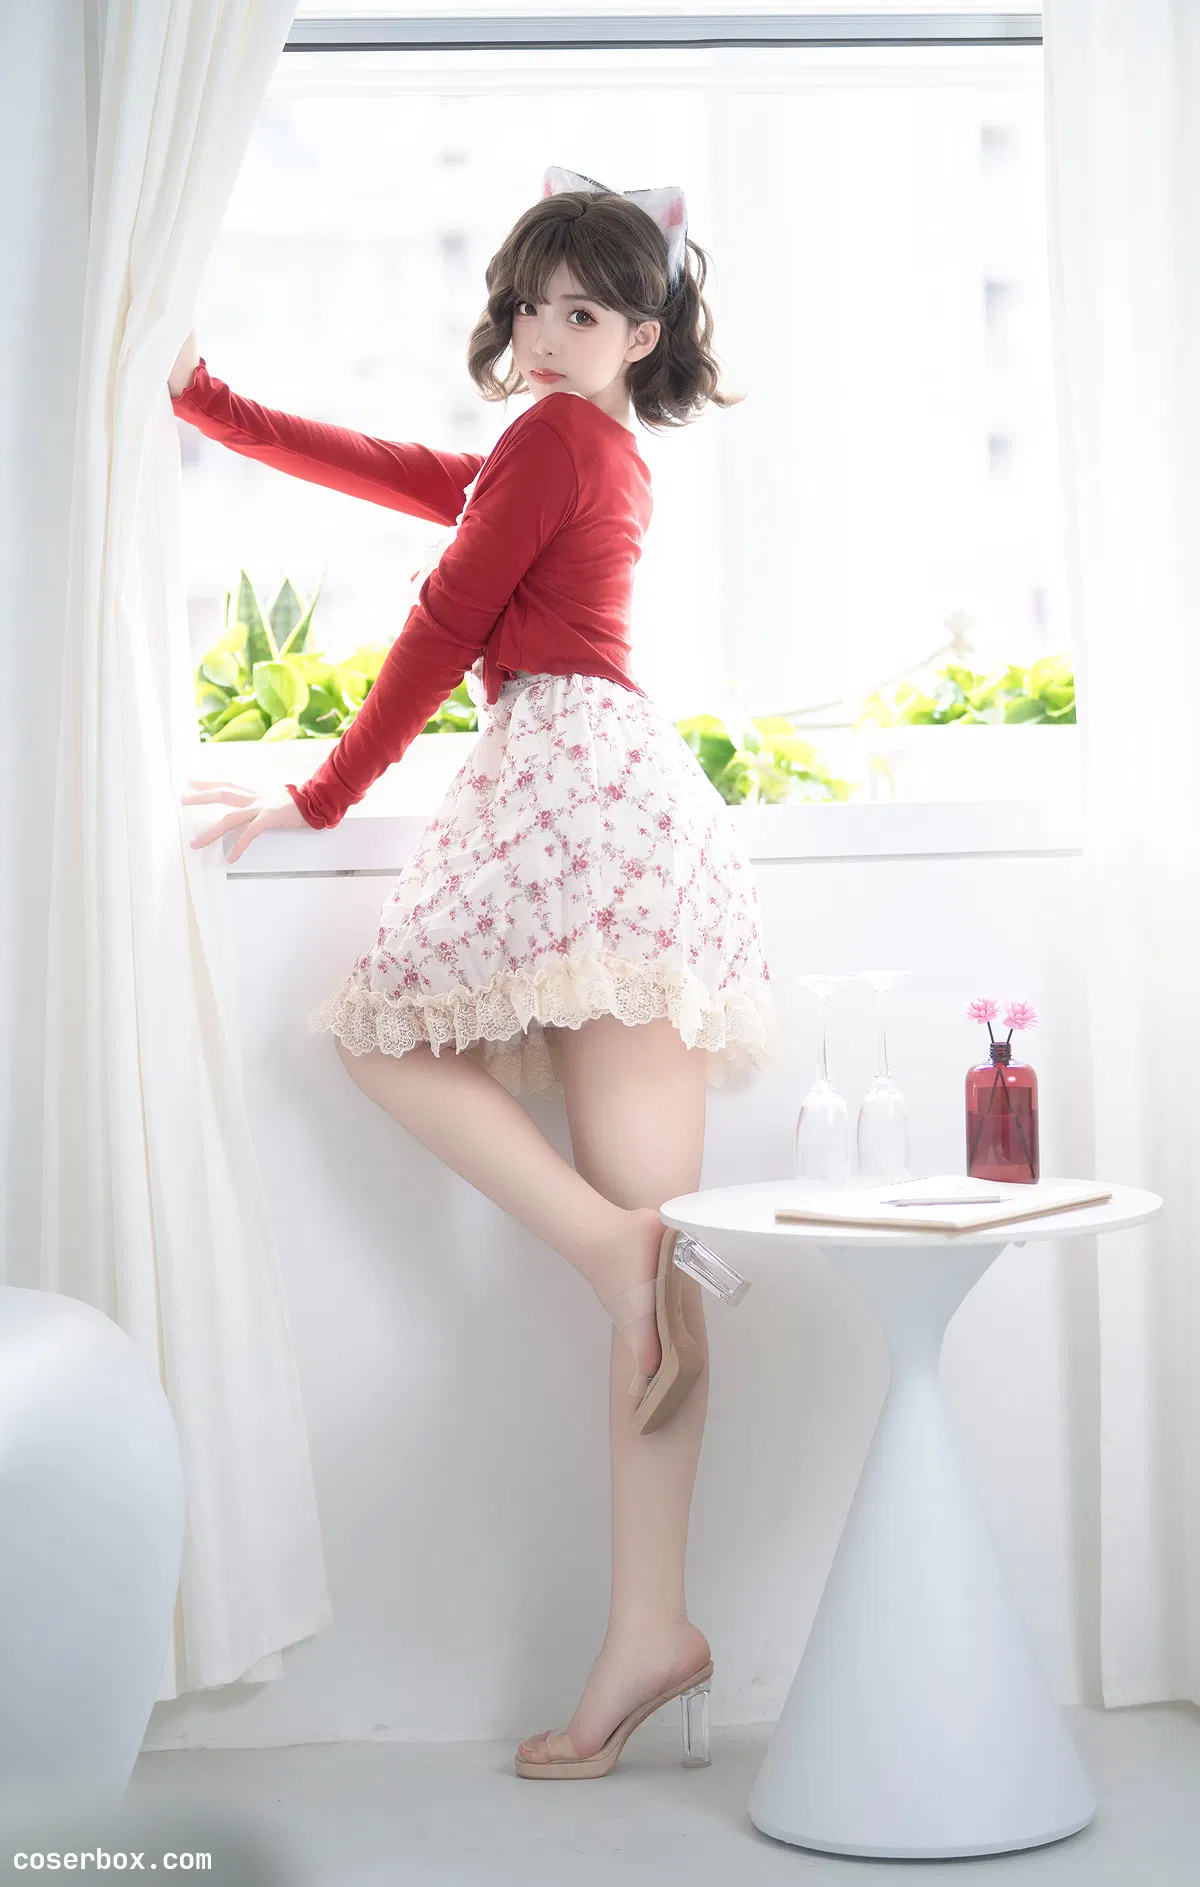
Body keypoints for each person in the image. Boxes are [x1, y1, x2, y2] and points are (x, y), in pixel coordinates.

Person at [174, 165, 780, 1780]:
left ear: (642, 331)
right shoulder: (580, 447)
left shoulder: (561, 440)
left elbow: (447, 619)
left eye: (583, 313)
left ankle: (608, 1271)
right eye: (528, 309)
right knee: (657, 1262)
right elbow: (410, 477)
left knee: (393, 1051)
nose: (545, 336)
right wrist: (215, 408)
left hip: (579, 805)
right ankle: (650, 1623)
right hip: (625, 820)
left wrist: (318, 796)